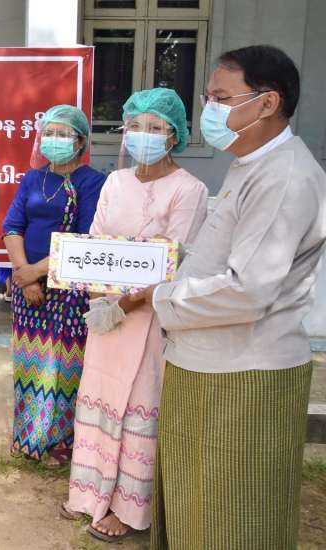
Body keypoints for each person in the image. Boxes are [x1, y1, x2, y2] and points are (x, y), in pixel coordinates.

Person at [142, 46, 326, 550]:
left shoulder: (285, 176)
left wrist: (162, 298)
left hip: (244, 376)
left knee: (232, 517)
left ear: (267, 103)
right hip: (208, 362)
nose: (209, 110)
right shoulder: (253, 163)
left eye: (221, 98)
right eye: (208, 98)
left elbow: (247, 290)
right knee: (195, 506)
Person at [62, 88, 208, 543]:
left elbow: (174, 261)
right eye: (136, 126)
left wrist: (122, 305)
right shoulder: (115, 182)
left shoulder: (190, 189)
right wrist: (100, 296)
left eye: (156, 127)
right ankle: (90, 493)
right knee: (100, 396)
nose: (144, 134)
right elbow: (94, 243)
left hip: (149, 318)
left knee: (139, 404)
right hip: (105, 314)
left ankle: (128, 508)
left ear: (174, 135)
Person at [2, 105, 106, 466]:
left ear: (80, 141)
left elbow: (84, 239)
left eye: (63, 134)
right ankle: (29, 435)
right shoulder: (33, 178)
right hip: (27, 287)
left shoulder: (93, 182)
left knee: (63, 365)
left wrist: (36, 273)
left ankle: (61, 440)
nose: (54, 140)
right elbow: (12, 227)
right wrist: (23, 273)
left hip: (69, 291)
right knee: (29, 363)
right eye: (48, 133)